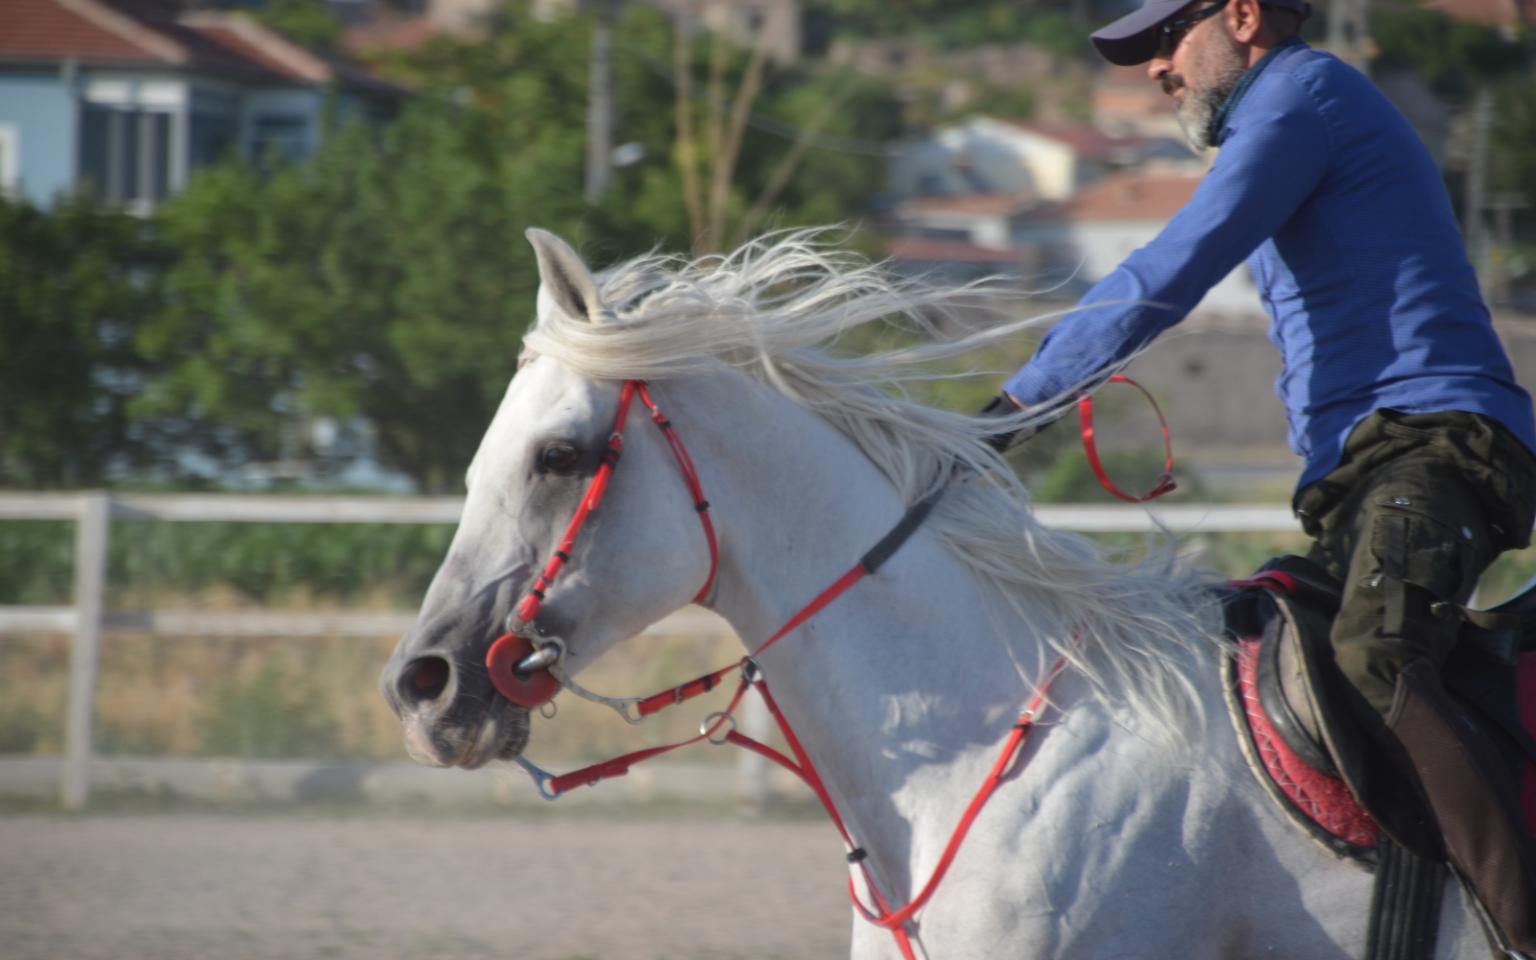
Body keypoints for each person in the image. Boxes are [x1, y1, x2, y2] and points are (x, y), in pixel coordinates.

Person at [986, 0, 1536, 945]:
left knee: (1375, 657)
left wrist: (1010, 414)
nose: (1154, 69)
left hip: (1437, 442)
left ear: (1241, 14)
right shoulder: (1287, 114)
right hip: (1368, 470)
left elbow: (1172, 266)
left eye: (1165, 40)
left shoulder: (1303, 96)